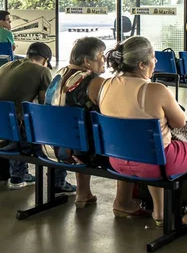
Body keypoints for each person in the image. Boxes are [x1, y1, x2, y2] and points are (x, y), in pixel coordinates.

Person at [100, 36, 187, 235]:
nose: (155, 62)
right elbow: (180, 123)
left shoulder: (105, 86)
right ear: (142, 65)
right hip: (156, 163)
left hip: (118, 160)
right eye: (153, 58)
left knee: (150, 145)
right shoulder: (156, 90)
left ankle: (159, 212)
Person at [44, 37, 147, 216]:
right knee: (124, 139)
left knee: (79, 132)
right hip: (82, 153)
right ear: (87, 61)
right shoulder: (94, 81)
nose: (104, 60)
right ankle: (123, 202)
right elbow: (113, 113)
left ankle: (83, 193)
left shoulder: (59, 75)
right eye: (100, 56)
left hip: (52, 149)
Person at [0, 42, 76, 194]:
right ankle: (57, 182)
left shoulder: (6, 66)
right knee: (54, 133)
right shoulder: (42, 71)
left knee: (15, 121)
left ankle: (19, 176)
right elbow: (46, 110)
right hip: (6, 140)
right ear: (46, 60)